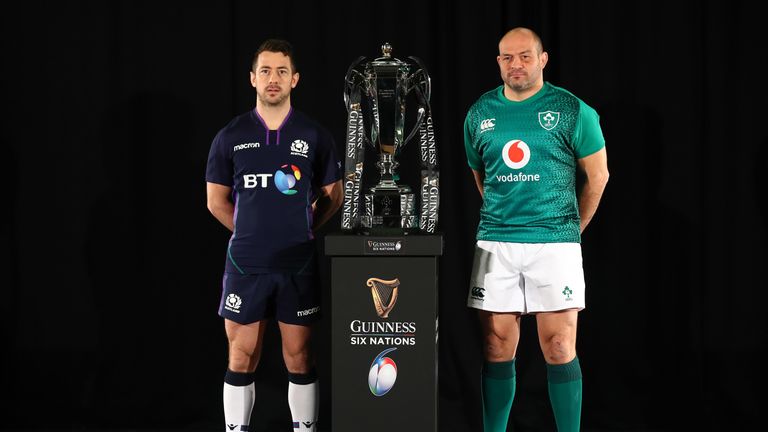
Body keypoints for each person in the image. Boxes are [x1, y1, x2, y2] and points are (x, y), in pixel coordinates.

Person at [463, 27, 609, 432]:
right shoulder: (479, 113)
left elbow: (597, 177)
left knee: (559, 346)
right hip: (496, 242)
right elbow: (483, 177)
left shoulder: (571, 110)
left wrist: (570, 228)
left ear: (543, 59)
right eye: (507, 58)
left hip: (554, 244)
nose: (516, 65)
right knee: (495, 347)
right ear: (498, 62)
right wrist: (505, 215)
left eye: (525, 56)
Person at [206, 39, 343, 432]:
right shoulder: (230, 136)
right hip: (245, 264)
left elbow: (334, 196)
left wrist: (304, 229)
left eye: (282, 71)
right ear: (252, 79)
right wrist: (250, 232)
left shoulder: (313, 135)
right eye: (265, 71)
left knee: (298, 356)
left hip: (296, 262)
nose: (273, 79)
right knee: (241, 354)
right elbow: (216, 201)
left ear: (294, 80)